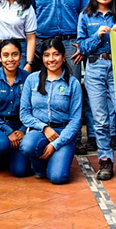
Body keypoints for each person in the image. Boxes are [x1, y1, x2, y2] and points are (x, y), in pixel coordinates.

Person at [28, 0, 92, 150]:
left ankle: (72, 136)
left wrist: (82, 44)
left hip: (71, 41)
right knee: (43, 86)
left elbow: (86, 16)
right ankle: (42, 132)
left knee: (71, 87)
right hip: (43, 43)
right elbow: (29, 14)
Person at [77, 0, 116, 181]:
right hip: (95, 67)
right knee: (100, 117)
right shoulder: (86, 16)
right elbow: (83, 48)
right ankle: (105, 160)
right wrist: (97, 35)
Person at [19, 37, 83, 184]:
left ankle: (56, 159)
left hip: (63, 133)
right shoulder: (32, 80)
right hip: (39, 132)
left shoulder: (73, 83)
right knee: (27, 145)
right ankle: (40, 168)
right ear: (42, 58)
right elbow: (24, 113)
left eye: (56, 54)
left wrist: (56, 144)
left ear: (64, 56)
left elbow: (75, 120)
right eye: (47, 55)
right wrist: (44, 127)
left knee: (58, 177)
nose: (51, 59)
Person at [0, 40, 32, 177]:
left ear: (21, 57)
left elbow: (34, 108)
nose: (10, 59)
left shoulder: (28, 79)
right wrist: (8, 131)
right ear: (0, 58)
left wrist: (22, 130)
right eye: (6, 55)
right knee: (1, 144)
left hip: (18, 123)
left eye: (14, 54)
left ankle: (7, 154)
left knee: (20, 171)